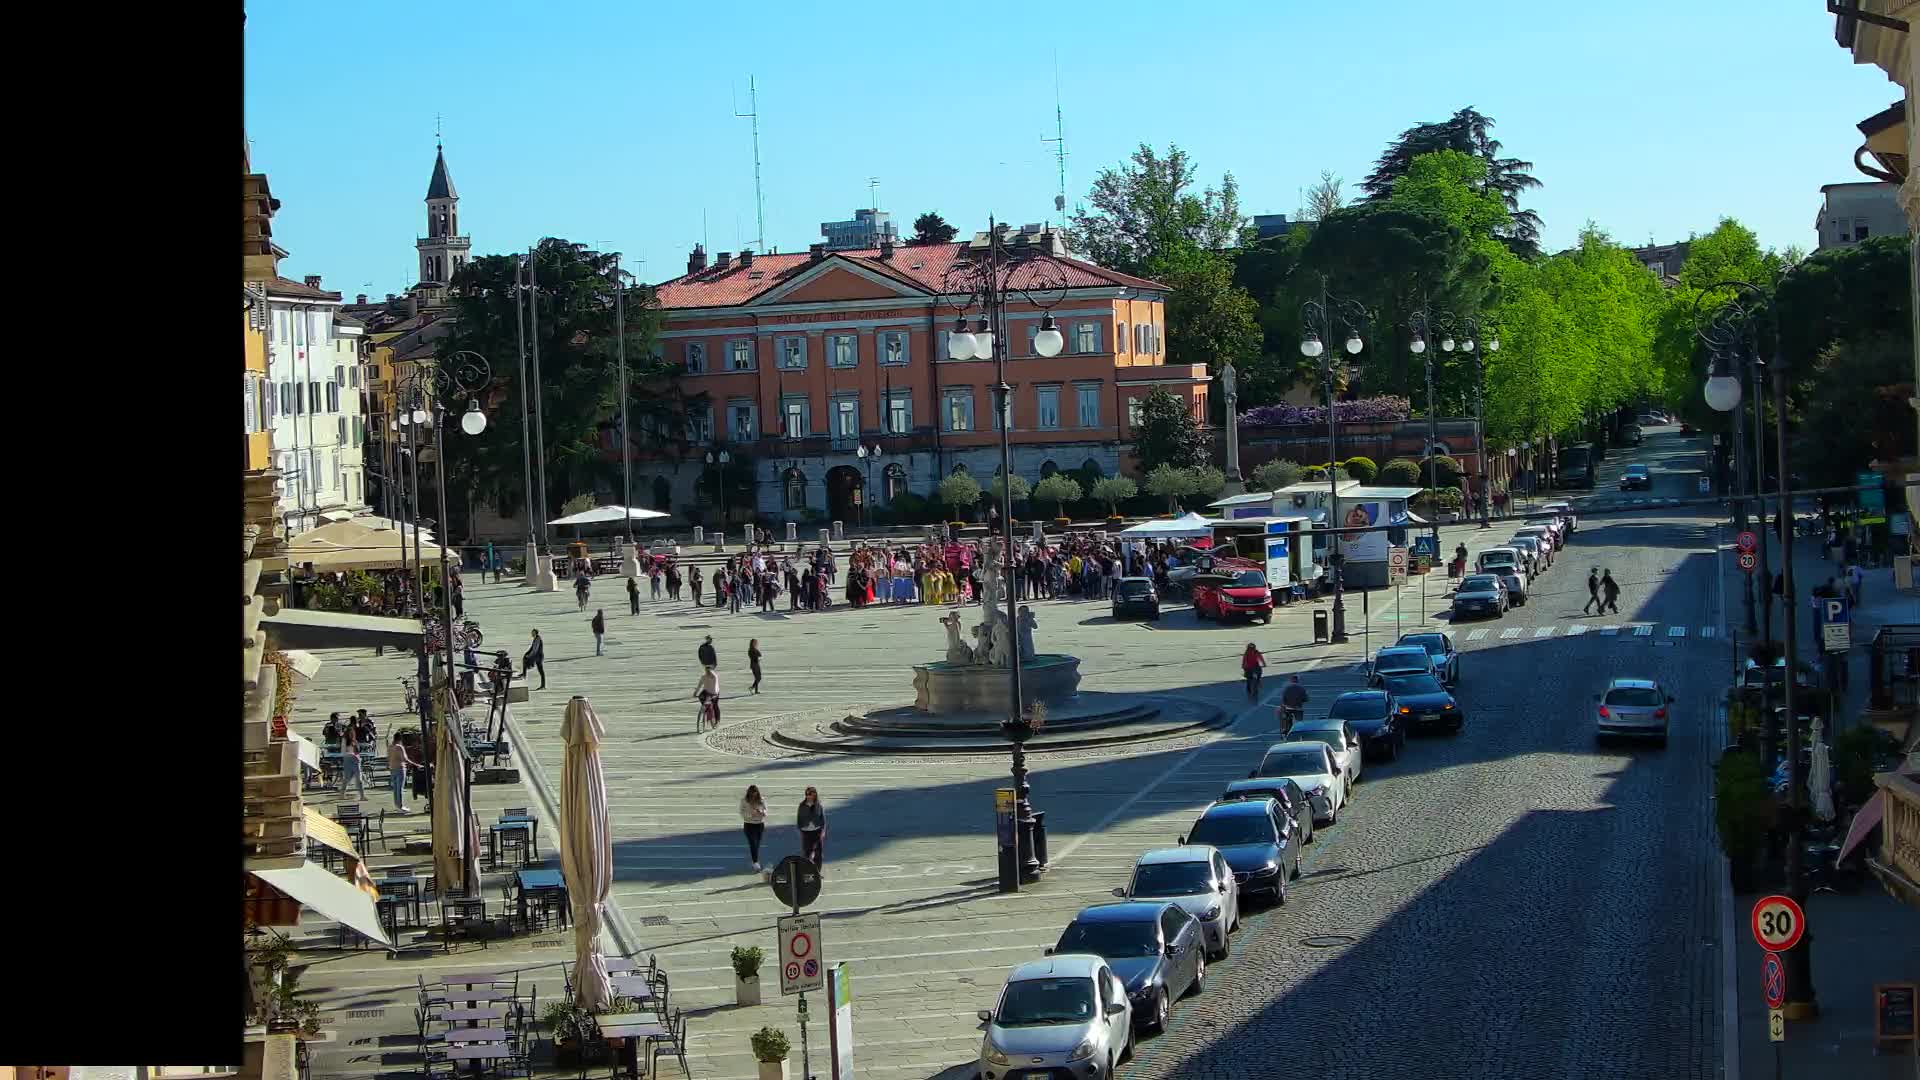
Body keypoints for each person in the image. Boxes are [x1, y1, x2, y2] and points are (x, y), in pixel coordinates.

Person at [388, 732, 421, 813]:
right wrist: (416, 764)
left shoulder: (390, 747)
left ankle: (397, 805)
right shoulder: (399, 747)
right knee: (400, 788)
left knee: (396, 789)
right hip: (400, 769)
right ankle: (400, 806)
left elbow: (388, 758)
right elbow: (405, 759)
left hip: (392, 769)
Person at [798, 787, 827, 872]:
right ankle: (807, 872)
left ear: (814, 794)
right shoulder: (802, 805)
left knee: (818, 853)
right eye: (806, 794)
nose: (808, 796)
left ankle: (817, 872)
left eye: (810, 794)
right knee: (807, 853)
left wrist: (823, 831)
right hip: (806, 832)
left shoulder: (818, 805)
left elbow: (823, 819)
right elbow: (799, 819)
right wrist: (800, 830)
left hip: (817, 831)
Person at [741, 784, 768, 873]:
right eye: (752, 794)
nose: (753, 796)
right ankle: (755, 863)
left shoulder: (761, 800)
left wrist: (762, 812)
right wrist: (750, 814)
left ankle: (755, 861)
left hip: (759, 824)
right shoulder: (744, 801)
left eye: (755, 793)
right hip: (749, 824)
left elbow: (766, 811)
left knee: (757, 843)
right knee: (752, 843)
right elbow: (742, 813)